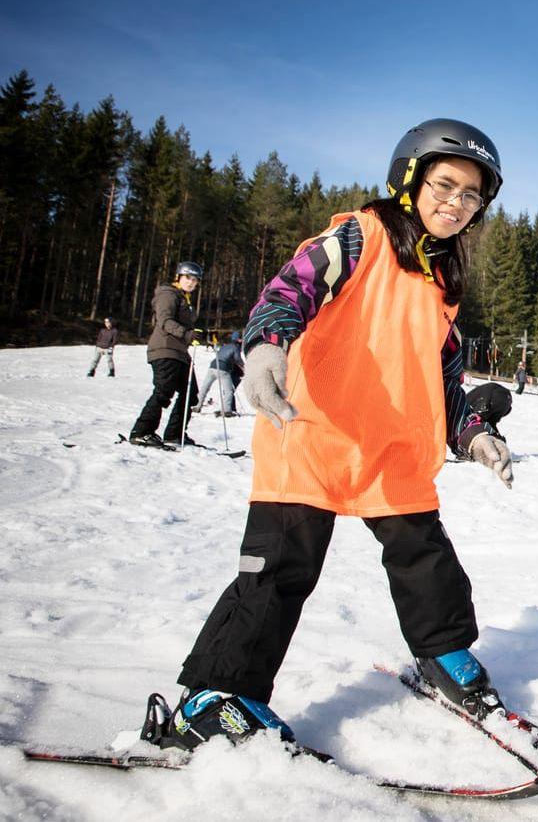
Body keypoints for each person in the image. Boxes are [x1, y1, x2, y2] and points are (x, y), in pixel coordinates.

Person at [150, 119, 518, 751]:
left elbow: (445, 378)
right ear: (409, 179)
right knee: (280, 569)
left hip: (392, 452)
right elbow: (286, 292)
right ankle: (214, 697)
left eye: (470, 196)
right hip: (312, 433)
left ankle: (444, 656)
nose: (456, 204)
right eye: (445, 185)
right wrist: (265, 348)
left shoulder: (444, 284)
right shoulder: (359, 236)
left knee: (426, 560)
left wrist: (474, 434)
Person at [128, 263, 203, 448]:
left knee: (190, 393)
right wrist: (186, 334)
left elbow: (184, 324)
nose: (191, 283)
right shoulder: (168, 294)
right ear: (178, 277)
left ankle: (175, 435)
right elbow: (165, 320)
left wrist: (201, 333)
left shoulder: (184, 298)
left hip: (180, 352)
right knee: (164, 391)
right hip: (165, 349)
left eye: (195, 280)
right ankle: (141, 432)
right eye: (188, 278)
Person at [199, 331, 245, 417]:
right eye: (240, 338)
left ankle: (198, 405)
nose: (241, 340)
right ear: (238, 339)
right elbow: (238, 359)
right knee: (229, 391)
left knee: (205, 386)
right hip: (223, 368)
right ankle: (227, 410)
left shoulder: (225, 346)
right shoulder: (235, 347)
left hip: (212, 366)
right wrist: (244, 367)